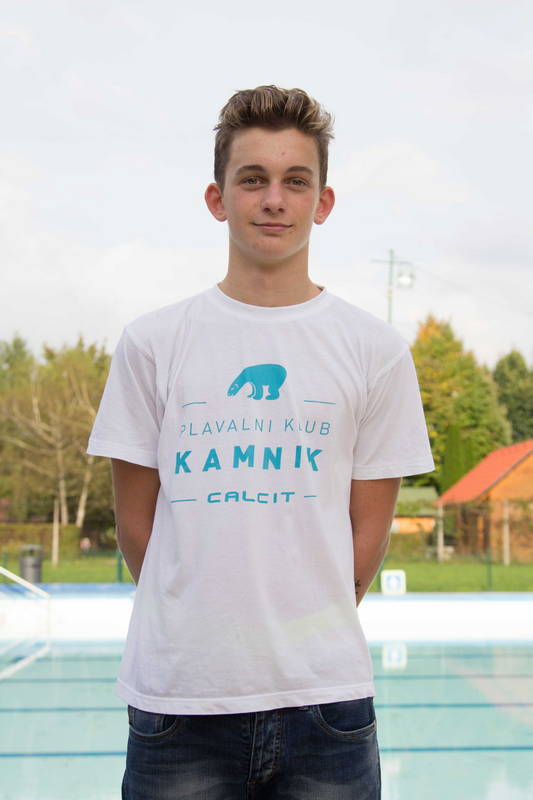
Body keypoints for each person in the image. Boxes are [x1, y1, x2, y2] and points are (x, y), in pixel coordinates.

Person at [87, 84, 435, 799]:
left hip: (324, 701)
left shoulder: (374, 350)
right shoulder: (153, 343)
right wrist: (198, 626)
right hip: (179, 701)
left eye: (294, 181)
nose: (273, 200)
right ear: (217, 198)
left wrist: (301, 635)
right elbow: (136, 527)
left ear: (322, 202)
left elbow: (366, 537)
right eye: (252, 179)